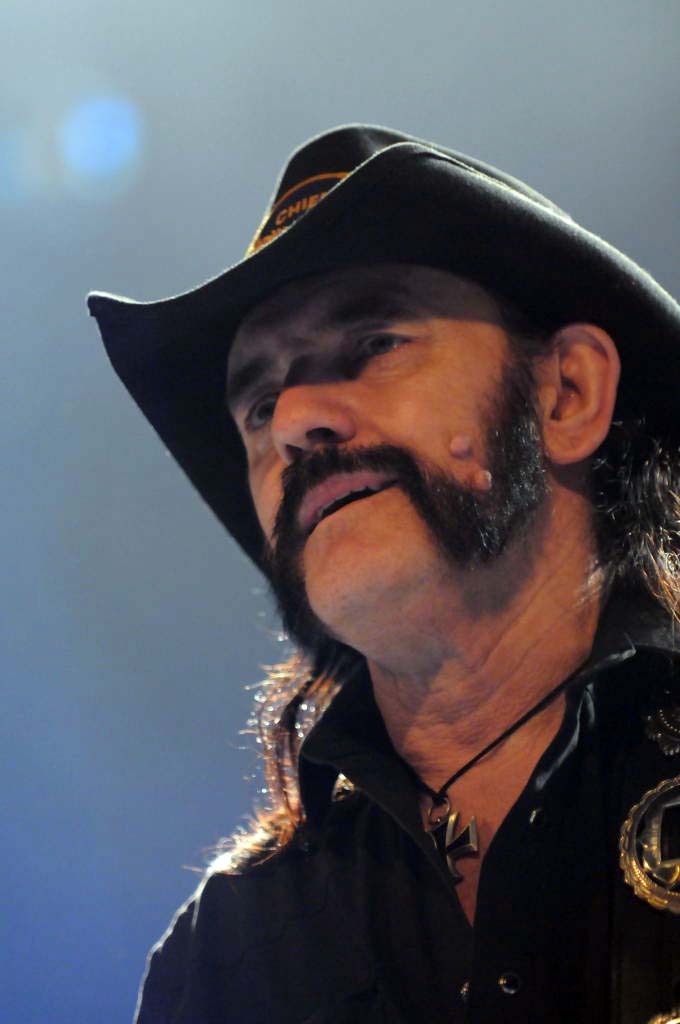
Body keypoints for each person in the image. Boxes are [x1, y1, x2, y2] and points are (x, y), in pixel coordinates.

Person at [89, 125, 680, 1024]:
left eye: (372, 344)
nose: (294, 420)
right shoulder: (227, 953)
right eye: (258, 405)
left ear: (567, 395)